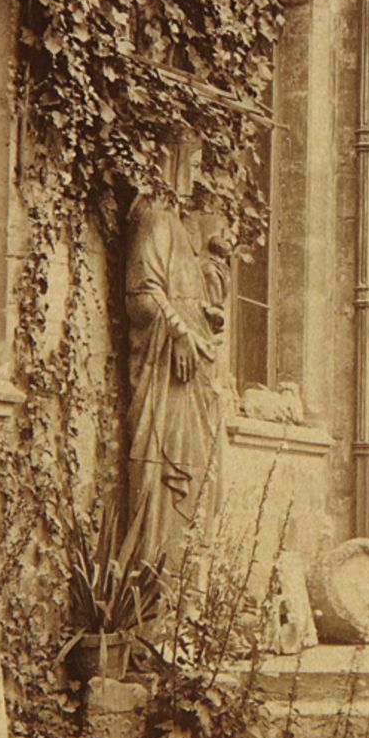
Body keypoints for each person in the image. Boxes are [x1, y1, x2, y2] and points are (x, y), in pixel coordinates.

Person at [120, 130, 225, 571]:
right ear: (173, 158)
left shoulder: (178, 224)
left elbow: (178, 291)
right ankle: (155, 590)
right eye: (194, 161)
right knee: (164, 469)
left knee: (200, 471)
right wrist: (180, 330)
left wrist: (204, 309)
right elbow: (141, 293)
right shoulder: (154, 217)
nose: (197, 172)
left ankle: (185, 592)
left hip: (192, 367)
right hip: (166, 372)